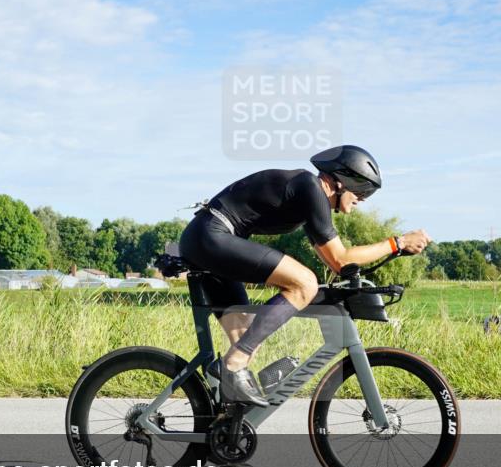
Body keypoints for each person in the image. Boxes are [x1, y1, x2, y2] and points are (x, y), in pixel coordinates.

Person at [179, 145, 431, 407]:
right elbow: (341, 259)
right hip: (212, 236)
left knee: (247, 339)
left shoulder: (308, 196)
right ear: (343, 180)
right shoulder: (309, 187)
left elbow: (339, 264)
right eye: (363, 190)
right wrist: (397, 243)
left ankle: (222, 425)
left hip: (208, 240)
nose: (363, 199)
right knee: (304, 283)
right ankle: (230, 366)